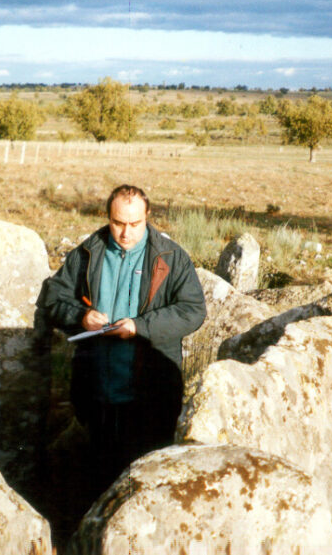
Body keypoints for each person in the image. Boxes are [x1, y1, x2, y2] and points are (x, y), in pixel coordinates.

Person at [36, 184, 206, 490]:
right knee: (98, 479)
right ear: (108, 217)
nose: (125, 233)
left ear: (148, 216)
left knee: (145, 486)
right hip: (96, 394)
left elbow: (192, 310)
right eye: (117, 223)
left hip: (151, 398)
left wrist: (141, 327)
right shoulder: (89, 252)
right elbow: (53, 299)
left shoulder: (171, 257)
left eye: (134, 224)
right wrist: (80, 317)